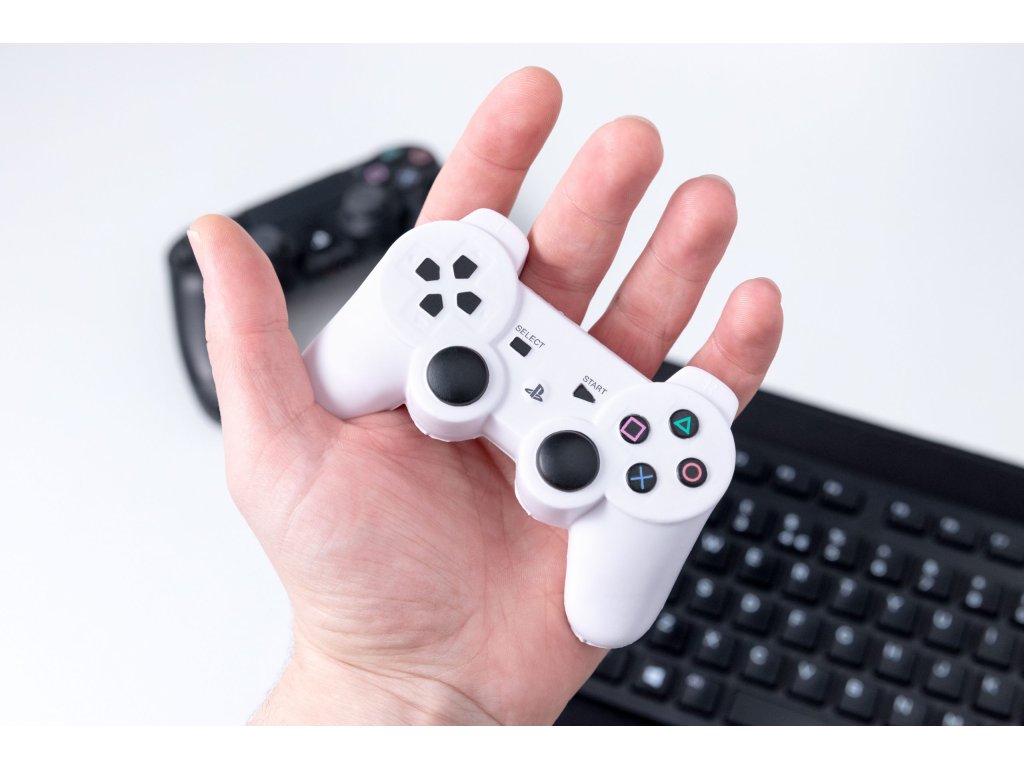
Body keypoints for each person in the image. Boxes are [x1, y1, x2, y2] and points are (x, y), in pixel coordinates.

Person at [186, 67, 784, 725]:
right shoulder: (456, 275)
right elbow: (606, 620)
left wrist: (386, 686)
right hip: (475, 315)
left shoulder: (461, 280)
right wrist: (382, 680)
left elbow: (608, 619)